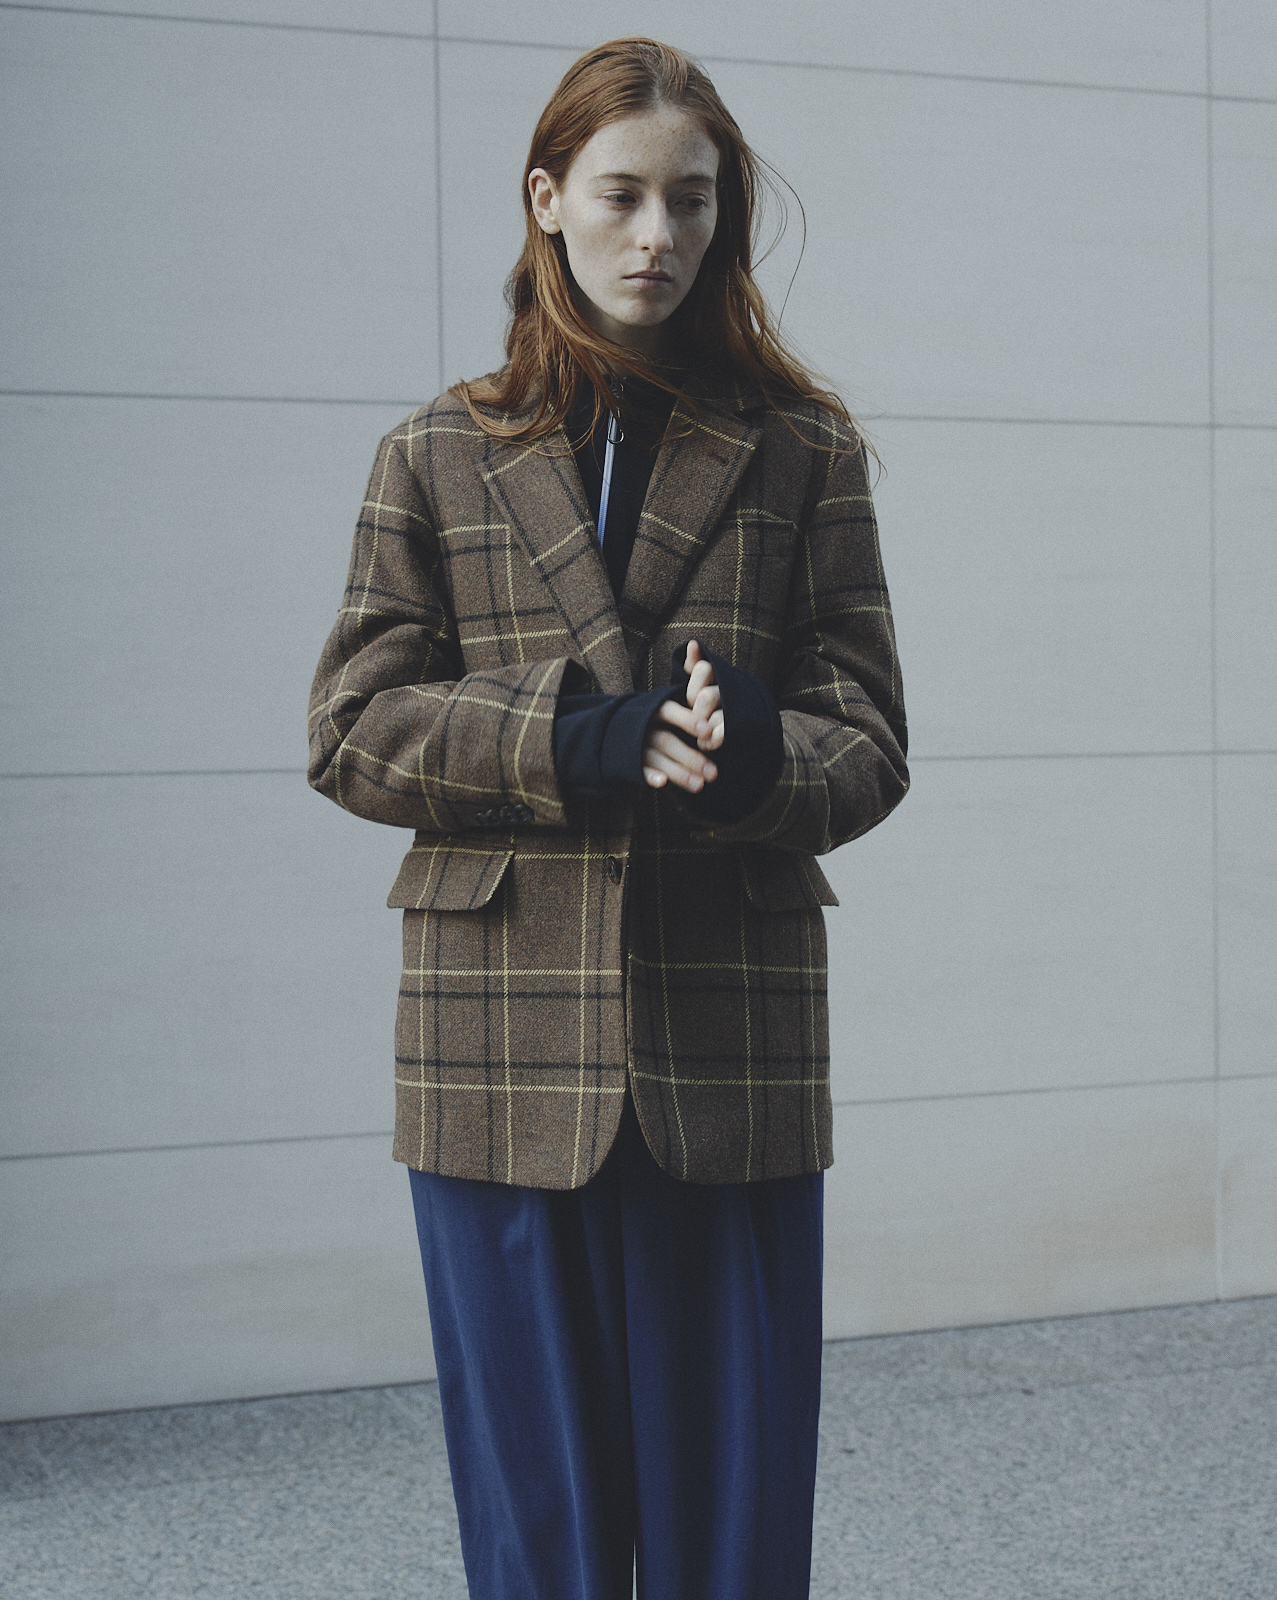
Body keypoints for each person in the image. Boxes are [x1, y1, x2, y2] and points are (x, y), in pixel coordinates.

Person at [308, 36, 908, 1600]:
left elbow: (871, 741)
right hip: (494, 1042)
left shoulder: (804, 450)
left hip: (732, 1034)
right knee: (538, 1530)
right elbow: (350, 729)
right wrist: (569, 745)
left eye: (692, 201)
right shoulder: (436, 454)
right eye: (623, 195)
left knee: (734, 1526)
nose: (658, 235)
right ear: (547, 199)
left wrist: (763, 754)